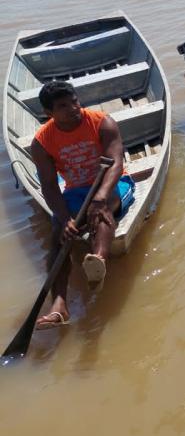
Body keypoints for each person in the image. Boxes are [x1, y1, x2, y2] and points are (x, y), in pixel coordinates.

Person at [29, 81, 134, 329]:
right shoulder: (42, 141)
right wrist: (65, 218)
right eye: (63, 106)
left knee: (101, 208)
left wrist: (99, 196)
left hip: (113, 183)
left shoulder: (101, 122)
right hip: (75, 191)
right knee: (58, 233)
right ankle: (59, 305)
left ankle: (97, 259)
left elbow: (116, 163)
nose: (73, 108)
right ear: (49, 113)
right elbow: (49, 185)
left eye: (74, 101)